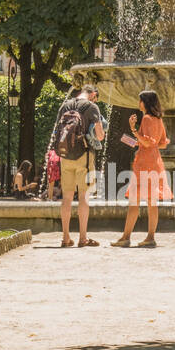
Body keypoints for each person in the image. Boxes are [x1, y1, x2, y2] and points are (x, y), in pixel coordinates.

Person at [113, 89, 170, 247]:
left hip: (144, 163)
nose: (138, 103)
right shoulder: (158, 119)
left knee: (134, 202)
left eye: (140, 100)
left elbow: (146, 142)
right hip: (155, 162)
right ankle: (150, 237)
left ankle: (125, 237)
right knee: (152, 203)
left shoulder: (145, 118)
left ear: (145, 102)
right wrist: (133, 140)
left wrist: (132, 129)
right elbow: (162, 143)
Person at [56, 84, 104, 247]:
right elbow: (100, 135)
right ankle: (83, 238)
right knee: (84, 196)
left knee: (67, 197)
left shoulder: (65, 105)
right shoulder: (92, 107)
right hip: (84, 155)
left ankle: (65, 237)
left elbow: (58, 131)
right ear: (93, 94)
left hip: (65, 155)